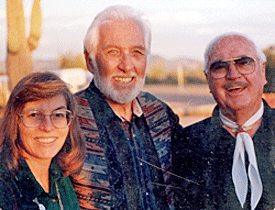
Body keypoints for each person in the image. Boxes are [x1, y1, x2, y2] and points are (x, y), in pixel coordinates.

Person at [71, 5, 181, 210]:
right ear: (89, 61)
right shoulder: (66, 119)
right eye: (113, 52)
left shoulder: (160, 113)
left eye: (137, 52)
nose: (127, 65)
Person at [172, 32, 275, 210]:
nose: (233, 75)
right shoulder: (185, 144)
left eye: (244, 63)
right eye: (220, 67)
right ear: (208, 80)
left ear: (263, 71)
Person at [0, 72, 85, 209]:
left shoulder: (61, 178)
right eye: (34, 115)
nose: (48, 127)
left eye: (58, 114)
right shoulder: (5, 188)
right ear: (15, 121)